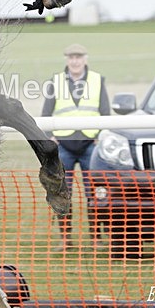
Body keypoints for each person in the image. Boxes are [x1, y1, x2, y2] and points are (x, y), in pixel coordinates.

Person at [41, 42, 110, 251]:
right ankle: (65, 240)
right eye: (71, 57)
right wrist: (49, 137)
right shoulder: (56, 82)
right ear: (67, 60)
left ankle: (96, 239)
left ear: (85, 59)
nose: (75, 61)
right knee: (63, 193)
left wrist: (101, 136)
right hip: (64, 147)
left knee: (95, 192)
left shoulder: (98, 80)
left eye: (79, 57)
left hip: (91, 145)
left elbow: (105, 112)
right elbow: (46, 114)